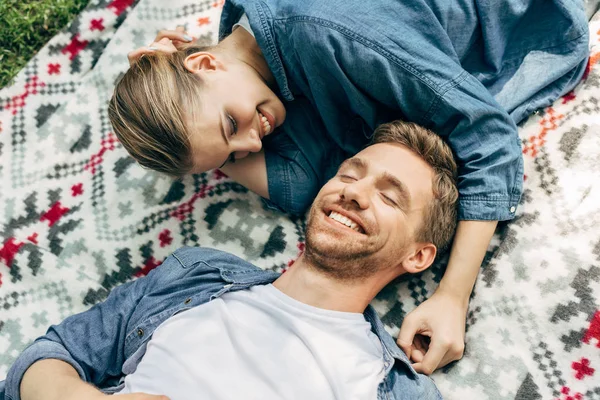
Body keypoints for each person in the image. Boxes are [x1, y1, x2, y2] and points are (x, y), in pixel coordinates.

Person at [107, 0, 590, 374]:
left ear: (206, 66)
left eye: (233, 126)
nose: (255, 140)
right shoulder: (253, 70)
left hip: (526, 20)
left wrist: (451, 297)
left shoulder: (327, 32)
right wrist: (210, 154)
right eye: (234, 155)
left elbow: (487, 136)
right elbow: (299, 183)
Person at [1, 121, 457, 400]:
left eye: (388, 196)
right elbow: (51, 356)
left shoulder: (402, 390)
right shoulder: (195, 275)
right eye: (348, 174)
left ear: (418, 256)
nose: (353, 191)